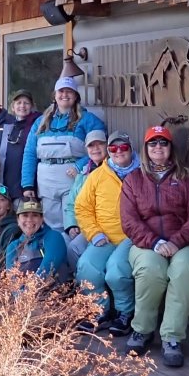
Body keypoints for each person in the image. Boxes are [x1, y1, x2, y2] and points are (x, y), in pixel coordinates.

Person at [120, 125, 189, 367]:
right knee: (150, 270)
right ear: (145, 148)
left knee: (183, 271)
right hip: (147, 243)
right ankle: (142, 330)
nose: (158, 147)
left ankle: (171, 337)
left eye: (163, 143)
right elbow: (129, 221)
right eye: (152, 143)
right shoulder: (133, 180)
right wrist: (156, 242)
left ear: (171, 148)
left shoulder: (187, 177)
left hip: (187, 243)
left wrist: (176, 241)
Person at [73, 131, 138, 336]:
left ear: (130, 149)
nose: (118, 152)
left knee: (116, 271)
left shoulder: (142, 173)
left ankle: (125, 313)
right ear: (109, 152)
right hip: (104, 236)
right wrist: (94, 233)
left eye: (123, 147)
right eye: (113, 148)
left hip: (132, 236)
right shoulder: (97, 175)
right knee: (87, 266)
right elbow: (82, 207)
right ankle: (99, 311)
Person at [21, 76, 106, 230]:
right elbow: (30, 154)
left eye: (69, 92)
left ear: (75, 96)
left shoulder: (88, 120)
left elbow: (99, 150)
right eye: (61, 91)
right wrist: (27, 184)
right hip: (46, 180)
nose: (64, 95)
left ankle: (74, 252)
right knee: (51, 224)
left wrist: (80, 167)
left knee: (73, 222)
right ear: (54, 95)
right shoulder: (40, 122)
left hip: (72, 178)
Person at [62, 129, 107, 273]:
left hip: (100, 227)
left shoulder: (113, 170)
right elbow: (71, 204)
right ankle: (72, 283)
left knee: (74, 248)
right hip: (81, 225)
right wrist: (71, 225)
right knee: (59, 241)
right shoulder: (82, 174)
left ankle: (83, 283)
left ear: (107, 146)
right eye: (91, 146)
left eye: (100, 144)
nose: (95, 149)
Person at [5, 199, 70, 284]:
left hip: (53, 294)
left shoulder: (53, 236)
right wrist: (20, 295)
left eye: (35, 215)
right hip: (23, 296)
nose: (30, 219)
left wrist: (28, 293)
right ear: (18, 220)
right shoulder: (13, 246)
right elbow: (12, 281)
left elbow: (48, 268)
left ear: (41, 219)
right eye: (25, 215)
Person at [0, 89, 41, 201]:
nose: (22, 106)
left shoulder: (38, 126)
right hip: (8, 186)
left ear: (32, 106)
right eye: (18, 103)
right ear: (13, 107)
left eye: (26, 103)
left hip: (28, 187)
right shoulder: (9, 127)